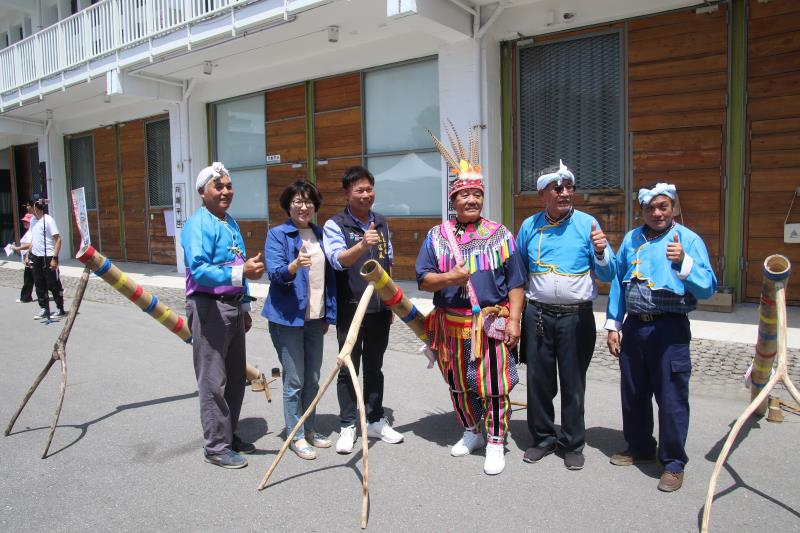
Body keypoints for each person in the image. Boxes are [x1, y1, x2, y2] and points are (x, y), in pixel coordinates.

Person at [417, 125, 526, 475]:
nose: (471, 200)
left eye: (476, 194)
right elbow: (424, 279)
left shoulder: (500, 234)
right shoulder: (437, 237)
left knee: (493, 385)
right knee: (459, 384)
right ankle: (471, 430)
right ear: (453, 200)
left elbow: (516, 282)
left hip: (490, 323)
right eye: (464, 195)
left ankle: (496, 440)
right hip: (451, 324)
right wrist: (450, 278)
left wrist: (514, 320)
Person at [605, 182, 716, 492]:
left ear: (674, 208)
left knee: (671, 399)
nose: (656, 213)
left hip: (670, 329)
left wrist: (683, 261)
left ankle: (673, 462)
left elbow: (707, 288)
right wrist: (614, 325)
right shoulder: (631, 239)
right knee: (634, 392)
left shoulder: (689, 240)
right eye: (650, 208)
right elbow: (618, 283)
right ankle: (640, 446)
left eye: (663, 206)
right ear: (641, 211)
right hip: (636, 327)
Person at [516, 160, 616, 471]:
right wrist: (514, 316)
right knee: (538, 381)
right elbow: (517, 272)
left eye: (568, 187)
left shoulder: (589, 224)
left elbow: (610, 272)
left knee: (573, 382)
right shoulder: (528, 227)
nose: (564, 192)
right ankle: (543, 438)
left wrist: (600, 252)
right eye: (557, 188)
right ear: (543, 193)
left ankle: (572, 443)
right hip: (539, 315)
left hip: (577, 317)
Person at [181, 162, 265, 469]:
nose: (226, 191)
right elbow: (200, 269)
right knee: (213, 380)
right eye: (219, 186)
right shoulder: (196, 224)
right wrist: (242, 271)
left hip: (231, 306)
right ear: (203, 192)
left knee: (235, 378)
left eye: (229, 186)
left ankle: (229, 434)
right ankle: (215, 445)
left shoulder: (229, 222)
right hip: (207, 307)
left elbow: (238, 264)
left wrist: (243, 305)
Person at [323, 166, 403, 454]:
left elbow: (389, 262)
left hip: (380, 308)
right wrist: (361, 244)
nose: (366, 194)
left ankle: (375, 418)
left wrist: (392, 301)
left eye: (369, 189)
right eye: (359, 190)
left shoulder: (381, 222)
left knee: (374, 367)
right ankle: (348, 424)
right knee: (348, 368)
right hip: (351, 309)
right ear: (347, 193)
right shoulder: (336, 224)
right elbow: (337, 261)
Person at [263, 180, 337, 461]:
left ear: (315, 206)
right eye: (297, 201)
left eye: (308, 201)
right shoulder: (278, 235)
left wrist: (328, 314)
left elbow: (328, 279)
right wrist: (293, 266)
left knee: (313, 378)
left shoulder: (320, 235)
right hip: (287, 319)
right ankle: (294, 435)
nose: (303, 206)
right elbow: (275, 274)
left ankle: (309, 428)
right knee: (294, 380)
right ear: (288, 204)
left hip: (314, 318)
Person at [29, 200, 66, 321]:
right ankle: (44, 308)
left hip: (48, 255)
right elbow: (32, 239)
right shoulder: (32, 221)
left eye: (30, 206)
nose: (28, 208)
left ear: (36, 208)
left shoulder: (48, 220)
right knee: (39, 283)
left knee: (52, 283)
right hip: (36, 256)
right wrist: (28, 255)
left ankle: (60, 308)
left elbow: (58, 239)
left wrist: (54, 258)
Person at [12, 213, 35, 303]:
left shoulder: (31, 232)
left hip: (30, 258)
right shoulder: (28, 232)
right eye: (24, 221)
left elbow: (30, 245)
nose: (24, 222)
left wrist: (26, 257)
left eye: (26, 221)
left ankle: (57, 290)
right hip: (28, 259)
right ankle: (26, 297)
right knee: (29, 279)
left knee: (37, 279)